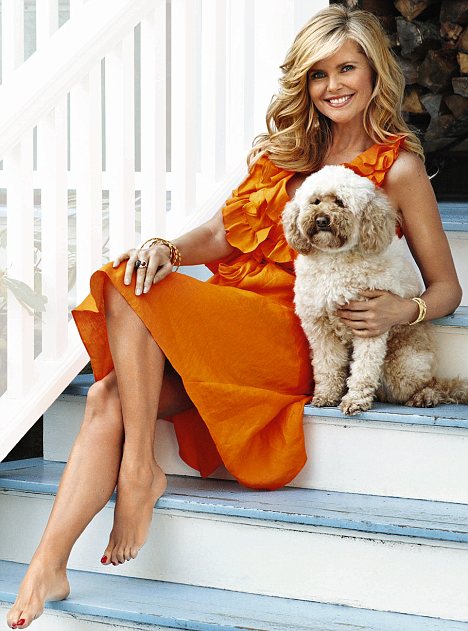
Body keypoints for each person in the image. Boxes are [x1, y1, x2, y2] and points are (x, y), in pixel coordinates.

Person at [6, 4, 462, 629]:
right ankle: (47, 566)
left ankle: (138, 473)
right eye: (318, 74)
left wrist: (401, 308)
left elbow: (447, 290)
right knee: (110, 384)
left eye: (347, 68)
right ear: (304, 82)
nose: (334, 86)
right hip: (239, 314)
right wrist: (168, 246)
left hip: (300, 333)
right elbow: (223, 233)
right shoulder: (285, 153)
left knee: (122, 293)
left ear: (375, 74)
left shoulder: (398, 167)